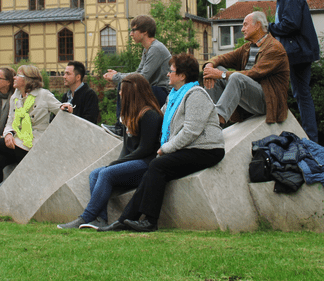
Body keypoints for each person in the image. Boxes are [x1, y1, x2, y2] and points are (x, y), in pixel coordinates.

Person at [99, 53, 225, 232]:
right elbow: (160, 117)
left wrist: (166, 148)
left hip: (207, 149)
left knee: (158, 166)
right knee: (153, 169)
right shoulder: (174, 96)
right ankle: (125, 220)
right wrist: (135, 121)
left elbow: (190, 131)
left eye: (171, 71)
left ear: (182, 76)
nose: (167, 74)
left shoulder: (196, 95)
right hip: (191, 148)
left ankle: (150, 221)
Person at [57, 73, 163, 230]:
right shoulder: (130, 115)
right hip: (134, 162)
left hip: (145, 164)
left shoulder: (150, 115)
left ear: (132, 92)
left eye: (122, 90)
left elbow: (145, 149)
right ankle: (100, 219)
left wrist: (117, 164)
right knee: (95, 174)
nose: (119, 93)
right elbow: (127, 148)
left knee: (106, 173)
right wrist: (118, 164)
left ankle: (86, 217)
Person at [0, 65, 63, 199]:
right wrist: (8, 134)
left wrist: (66, 107)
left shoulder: (43, 95)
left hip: (35, 144)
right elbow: (10, 122)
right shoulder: (15, 96)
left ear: (28, 79)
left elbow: (61, 110)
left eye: (18, 75)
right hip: (19, 141)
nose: (14, 77)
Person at [259, 0, 320, 144]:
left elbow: (290, 25)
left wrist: (268, 28)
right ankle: (309, 138)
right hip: (298, 52)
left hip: (298, 53)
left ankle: (310, 139)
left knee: (301, 94)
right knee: (300, 94)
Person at [203, 11, 290, 125]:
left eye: (245, 25)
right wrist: (209, 66)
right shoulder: (248, 47)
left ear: (257, 25)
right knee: (216, 69)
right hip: (250, 99)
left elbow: (254, 73)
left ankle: (218, 119)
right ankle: (210, 116)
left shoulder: (274, 48)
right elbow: (223, 57)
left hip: (269, 102)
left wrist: (221, 74)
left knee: (236, 77)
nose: (242, 29)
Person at [102, 15, 170, 137]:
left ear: (145, 32)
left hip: (162, 92)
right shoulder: (147, 49)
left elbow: (143, 77)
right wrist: (118, 75)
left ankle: (121, 128)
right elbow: (138, 73)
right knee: (125, 84)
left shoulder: (156, 49)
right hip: (154, 89)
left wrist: (117, 77)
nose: (131, 34)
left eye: (134, 30)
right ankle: (126, 126)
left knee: (126, 86)